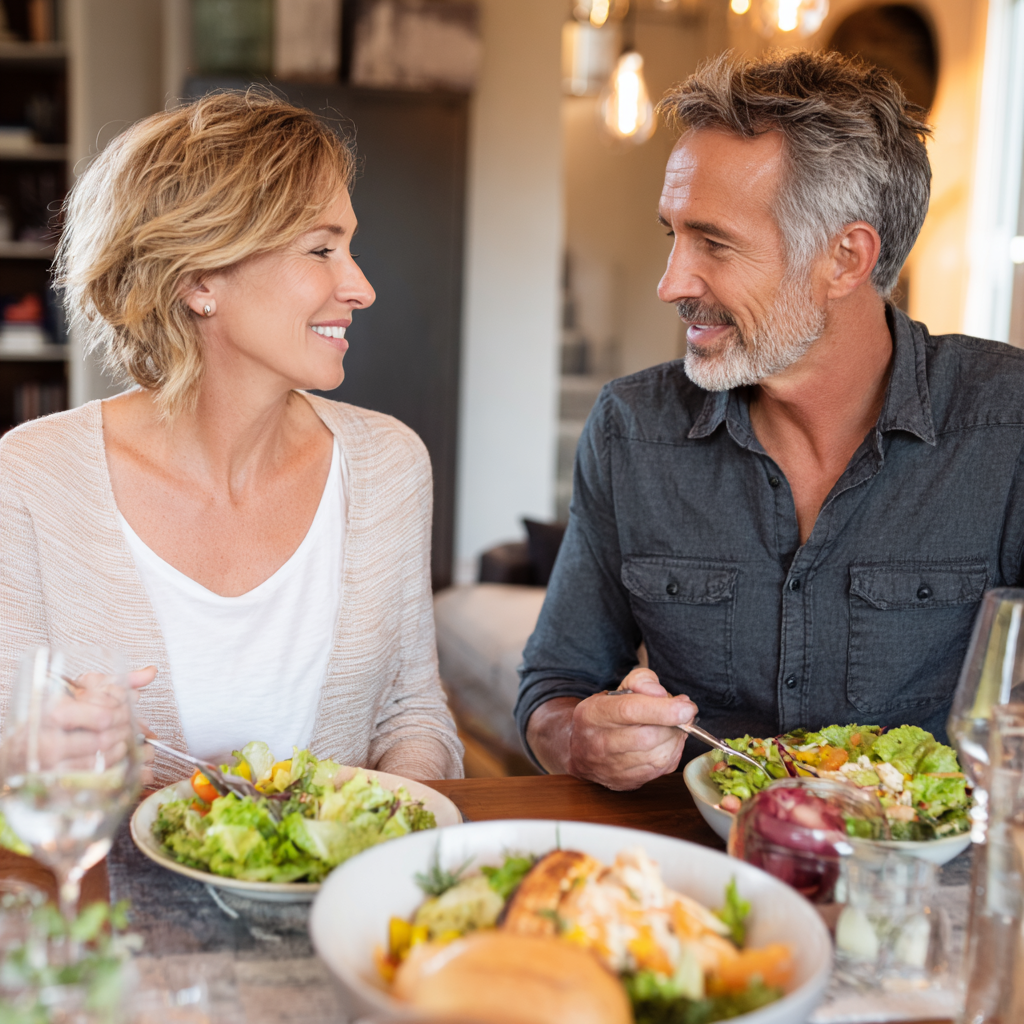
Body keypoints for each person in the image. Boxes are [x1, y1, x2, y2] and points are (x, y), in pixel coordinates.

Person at [516, 50, 1024, 791]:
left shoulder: (1007, 428)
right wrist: (580, 739)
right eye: (673, 235)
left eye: (714, 243)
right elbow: (552, 689)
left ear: (846, 258)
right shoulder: (632, 429)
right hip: (696, 879)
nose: (671, 284)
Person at [0, 89, 463, 785]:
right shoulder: (30, 478)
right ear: (198, 278)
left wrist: (387, 844)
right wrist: (36, 756)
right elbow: (13, 745)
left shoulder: (390, 464)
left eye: (350, 246)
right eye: (321, 249)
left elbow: (412, 713)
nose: (361, 286)